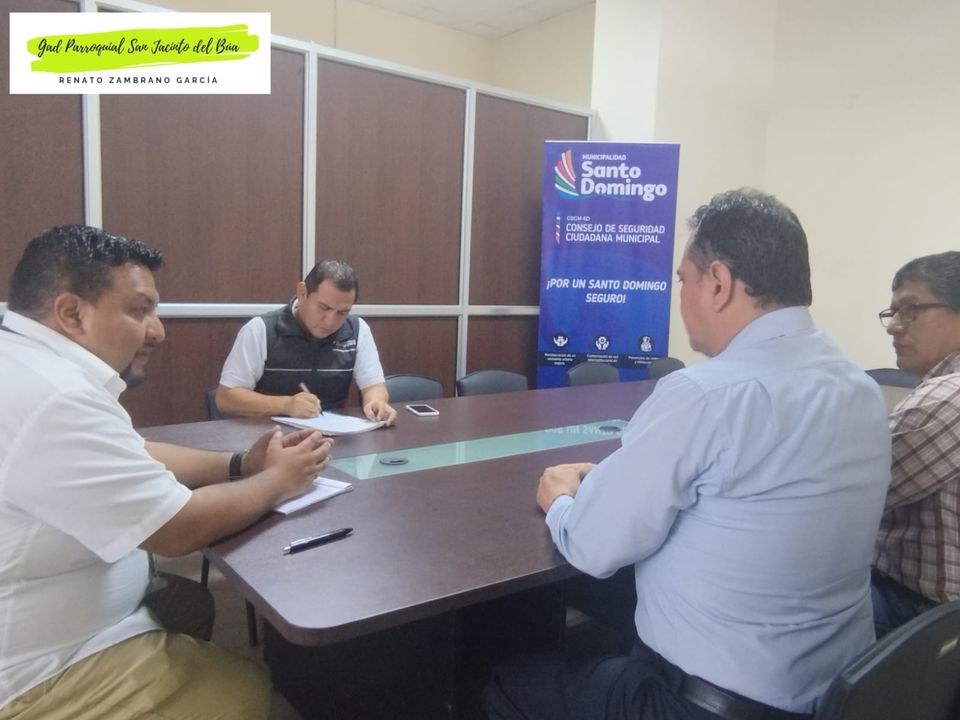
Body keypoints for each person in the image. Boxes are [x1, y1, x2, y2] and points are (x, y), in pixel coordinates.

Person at [485, 189, 892, 720]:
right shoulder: (861, 388)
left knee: (509, 682)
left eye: (683, 280)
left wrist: (561, 500)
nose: (680, 297)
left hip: (703, 703)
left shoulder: (704, 395)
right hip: (838, 694)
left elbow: (592, 546)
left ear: (718, 283)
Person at [0, 225, 334, 720]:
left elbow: (135, 452)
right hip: (39, 670)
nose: (157, 330)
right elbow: (178, 529)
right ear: (72, 313)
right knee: (247, 689)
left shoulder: (29, 363)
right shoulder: (55, 397)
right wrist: (279, 480)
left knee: (190, 604)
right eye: (140, 311)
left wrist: (241, 464)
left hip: (70, 607)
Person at [871, 251, 960, 636]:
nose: (894, 327)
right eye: (892, 313)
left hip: (917, 611)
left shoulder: (948, 399)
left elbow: (846, 498)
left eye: (911, 311)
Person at [215, 259, 397, 424]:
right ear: (302, 293)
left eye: (342, 312)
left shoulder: (357, 330)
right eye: (324, 307)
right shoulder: (261, 329)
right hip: (272, 438)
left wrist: (376, 402)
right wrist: (285, 405)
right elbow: (226, 397)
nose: (331, 321)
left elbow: (374, 386)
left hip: (335, 437)